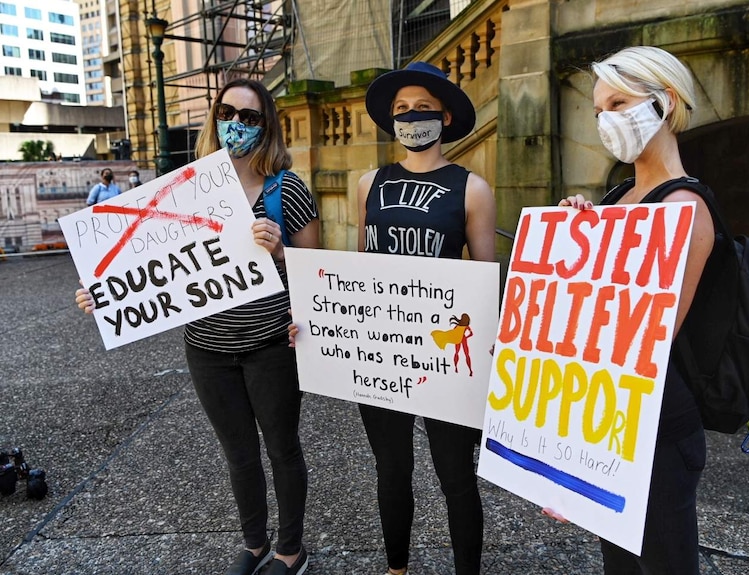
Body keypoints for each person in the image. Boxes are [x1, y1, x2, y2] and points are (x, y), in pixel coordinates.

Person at [76, 78, 319, 575]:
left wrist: (279, 250)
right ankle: (254, 543)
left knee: (281, 448)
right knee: (238, 453)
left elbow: (319, 272)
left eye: (249, 117)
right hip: (207, 349)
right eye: (227, 112)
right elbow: (145, 262)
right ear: (214, 117)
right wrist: (101, 293)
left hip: (270, 345)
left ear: (266, 125)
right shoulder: (185, 188)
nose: (236, 124)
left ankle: (291, 550)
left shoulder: (286, 189)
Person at [290, 61, 496, 575]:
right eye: (401, 109)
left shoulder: (472, 188)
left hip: (446, 354)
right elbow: (360, 272)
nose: (411, 117)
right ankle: (396, 568)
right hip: (382, 350)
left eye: (422, 108)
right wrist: (319, 322)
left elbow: (485, 280)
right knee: (391, 468)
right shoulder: (368, 184)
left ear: (445, 116)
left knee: (456, 475)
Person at [546, 46, 713, 574]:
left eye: (618, 103)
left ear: (665, 103)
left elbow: (644, 340)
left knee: (662, 563)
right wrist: (574, 234)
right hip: (613, 417)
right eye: (598, 112)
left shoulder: (682, 208)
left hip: (657, 427)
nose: (605, 121)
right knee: (618, 563)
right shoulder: (618, 197)